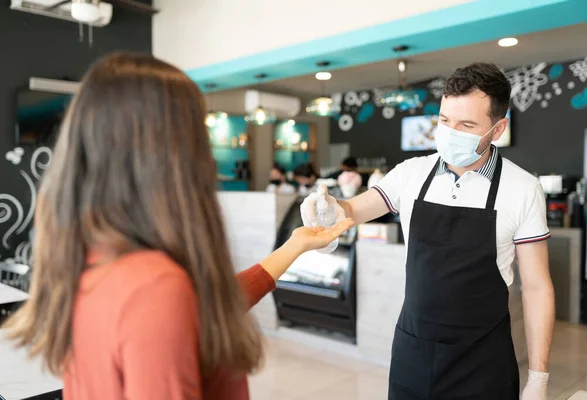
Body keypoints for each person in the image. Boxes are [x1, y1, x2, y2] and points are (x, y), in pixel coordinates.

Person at [2, 53, 353, 400]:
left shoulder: (89, 255)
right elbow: (168, 305)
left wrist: (293, 246)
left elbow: (201, 311)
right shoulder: (154, 288)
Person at [301, 62, 554, 400]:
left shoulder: (522, 188)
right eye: (445, 121)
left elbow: (536, 288)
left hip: (483, 362)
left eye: (466, 124)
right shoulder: (411, 174)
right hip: (413, 354)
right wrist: (330, 208)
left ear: (497, 129)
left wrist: (538, 378)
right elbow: (353, 209)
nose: (450, 132)